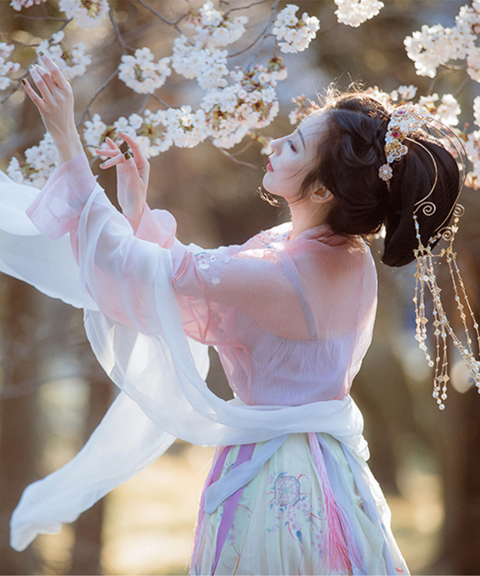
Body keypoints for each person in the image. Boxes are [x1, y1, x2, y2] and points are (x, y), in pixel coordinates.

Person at [0, 53, 459, 575]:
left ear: (323, 190)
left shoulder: (281, 271)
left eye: (292, 146)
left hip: (273, 481)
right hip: (328, 469)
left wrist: (65, 137)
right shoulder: (343, 256)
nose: (273, 145)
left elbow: (154, 272)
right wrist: (137, 210)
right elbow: (195, 274)